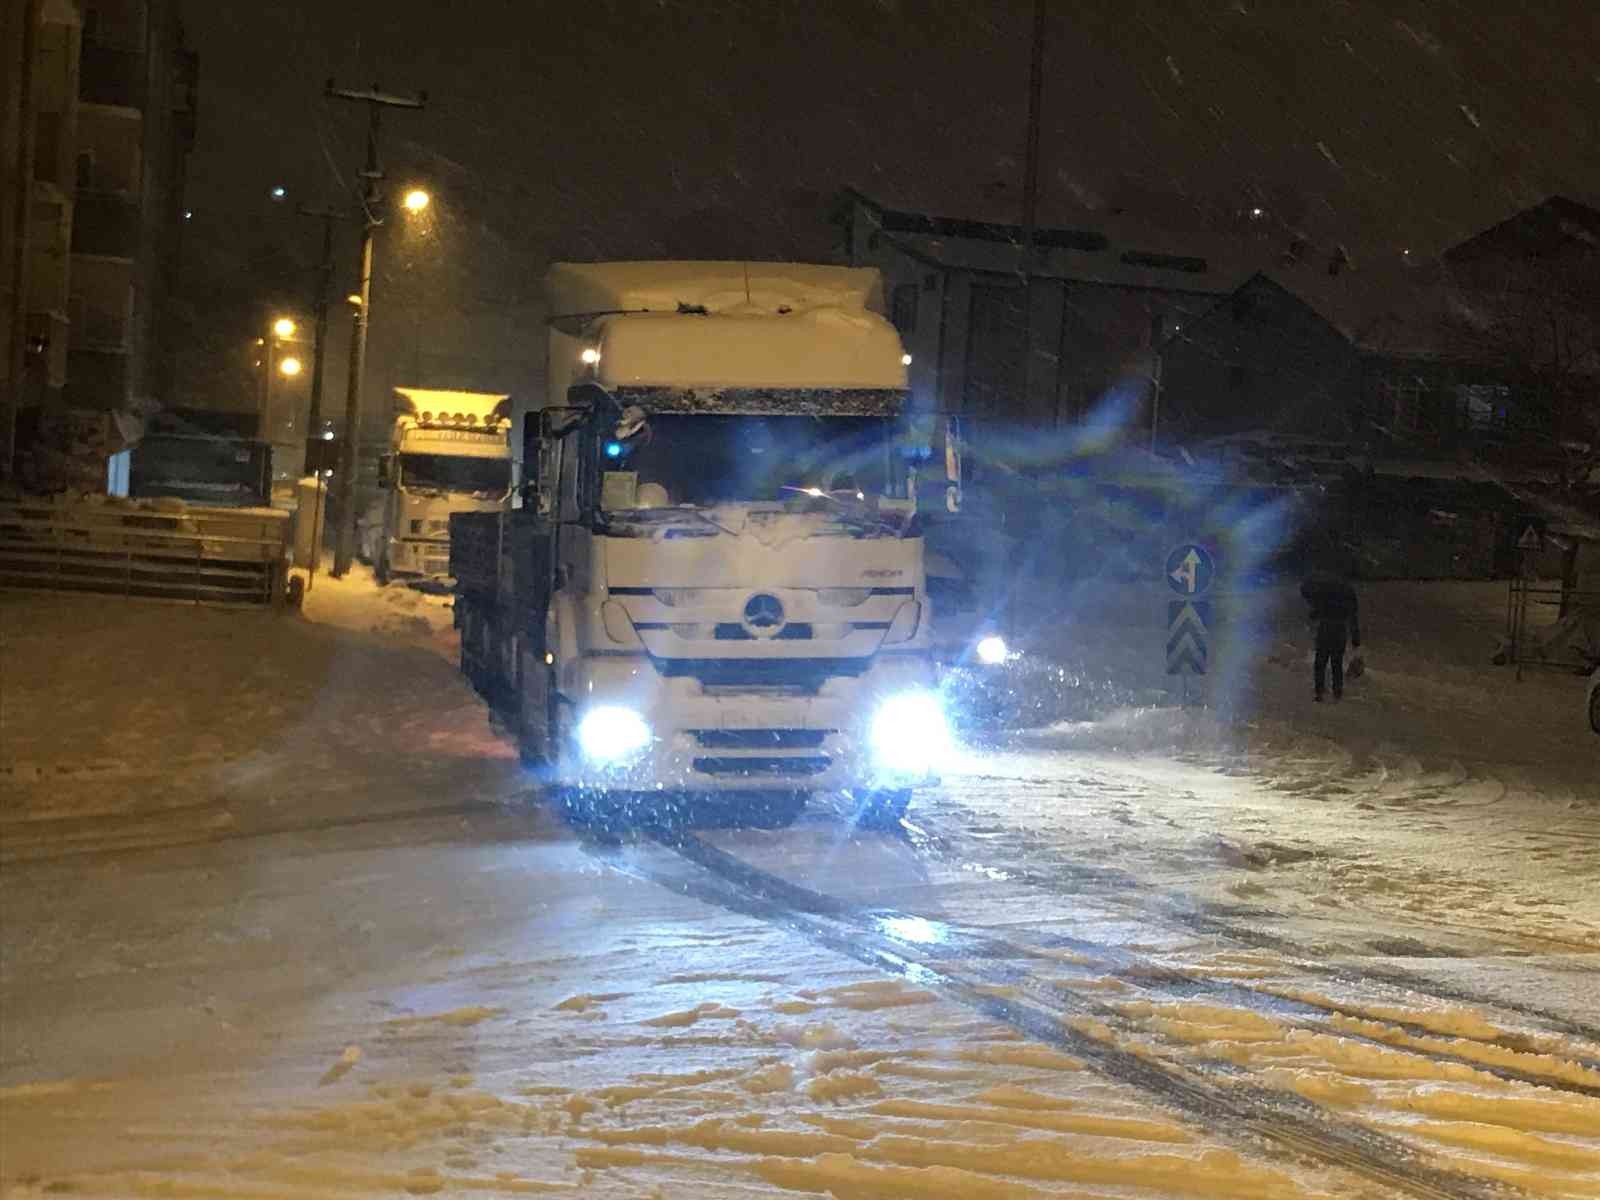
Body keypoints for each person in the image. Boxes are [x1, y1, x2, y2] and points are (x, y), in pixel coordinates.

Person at [1300, 572, 1361, 702]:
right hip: (1340, 630)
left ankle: (1319, 693)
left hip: (1325, 628)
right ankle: (1337, 694)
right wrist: (1356, 640)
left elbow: (1315, 612)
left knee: (1320, 663)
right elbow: (1353, 617)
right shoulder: (1349, 591)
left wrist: (1312, 616)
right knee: (1337, 663)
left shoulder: (1325, 590)